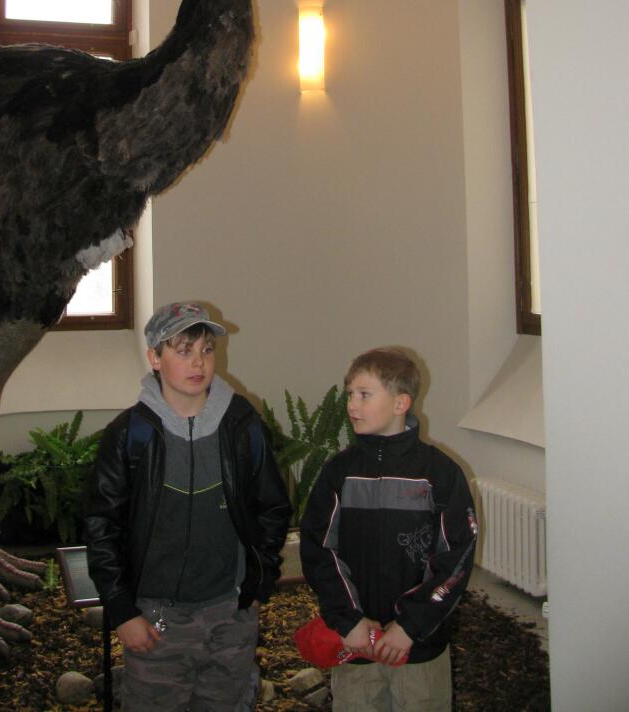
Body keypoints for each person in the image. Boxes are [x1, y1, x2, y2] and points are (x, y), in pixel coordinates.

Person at [84, 301, 291, 711]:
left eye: (206, 350)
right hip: (154, 619)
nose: (198, 362)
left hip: (229, 614)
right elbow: (101, 525)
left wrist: (256, 586)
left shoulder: (242, 426)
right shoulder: (130, 435)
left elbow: (272, 507)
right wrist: (122, 611)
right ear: (155, 358)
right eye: (183, 350)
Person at [299, 348, 477, 712]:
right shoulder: (339, 472)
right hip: (357, 645)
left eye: (364, 394)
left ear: (401, 403)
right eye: (350, 394)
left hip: (419, 647)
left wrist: (410, 625)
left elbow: (456, 558)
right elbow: (318, 549)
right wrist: (348, 620)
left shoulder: (440, 474)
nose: (352, 404)